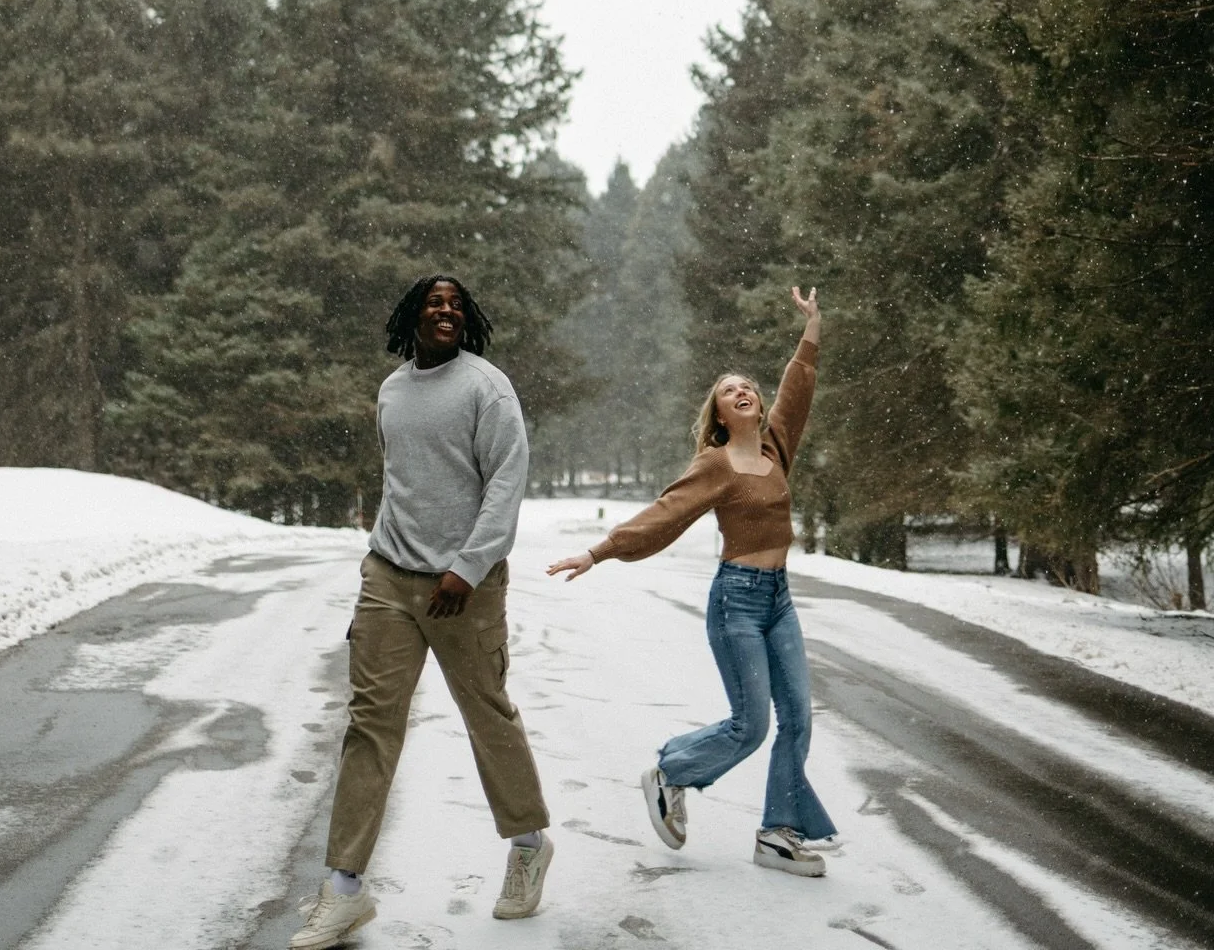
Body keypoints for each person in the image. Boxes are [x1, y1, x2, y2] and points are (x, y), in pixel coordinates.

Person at [292, 275, 553, 950]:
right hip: (389, 579)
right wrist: (382, 545)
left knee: (486, 714)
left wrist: (466, 568)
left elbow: (506, 481)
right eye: (434, 303)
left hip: (463, 587)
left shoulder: (486, 387)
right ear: (412, 316)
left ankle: (527, 843)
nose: (447, 311)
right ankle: (344, 889)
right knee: (369, 726)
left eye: (456, 304)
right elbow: (404, 480)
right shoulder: (392, 391)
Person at [547, 285, 836, 878]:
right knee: (751, 725)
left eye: (748, 386)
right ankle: (672, 772)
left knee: (799, 717)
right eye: (731, 391)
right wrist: (599, 551)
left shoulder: (779, 445)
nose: (744, 392)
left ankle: (778, 834)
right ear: (721, 415)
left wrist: (812, 327)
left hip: (779, 600)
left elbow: (798, 392)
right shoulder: (716, 463)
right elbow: (665, 513)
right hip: (737, 601)